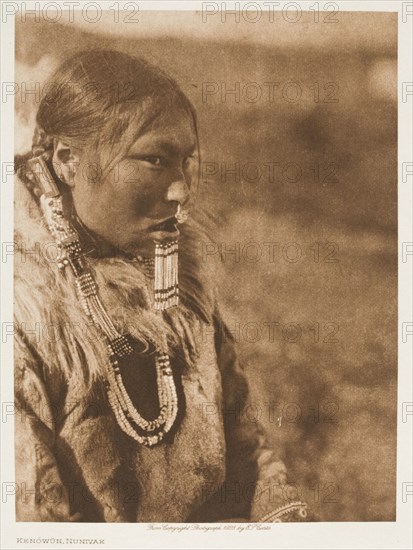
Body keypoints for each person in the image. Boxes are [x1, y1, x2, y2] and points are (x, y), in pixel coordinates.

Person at [14, 49, 308, 522]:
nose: (181, 190)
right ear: (68, 161)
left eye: (185, 161)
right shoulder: (21, 312)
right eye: (155, 160)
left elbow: (249, 459)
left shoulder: (185, 291)